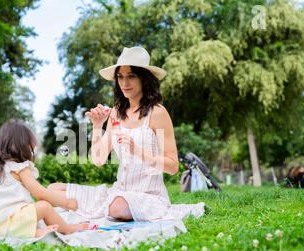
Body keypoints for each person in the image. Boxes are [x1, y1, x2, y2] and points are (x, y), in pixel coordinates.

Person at [48, 47, 205, 221]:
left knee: (117, 207)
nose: (124, 83)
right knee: (54, 190)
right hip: (116, 193)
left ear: (144, 79)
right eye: (120, 77)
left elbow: (173, 166)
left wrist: (138, 150)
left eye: (131, 76)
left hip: (149, 198)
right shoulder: (116, 113)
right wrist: (98, 126)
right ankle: (91, 206)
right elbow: (98, 161)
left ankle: (89, 208)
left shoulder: (157, 113)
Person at [0, 120, 94, 239]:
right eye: (31, 146)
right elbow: (40, 193)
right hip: (7, 223)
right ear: (22, 145)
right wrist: (66, 203)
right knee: (44, 207)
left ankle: (34, 233)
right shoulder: (19, 167)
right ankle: (68, 229)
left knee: (32, 213)